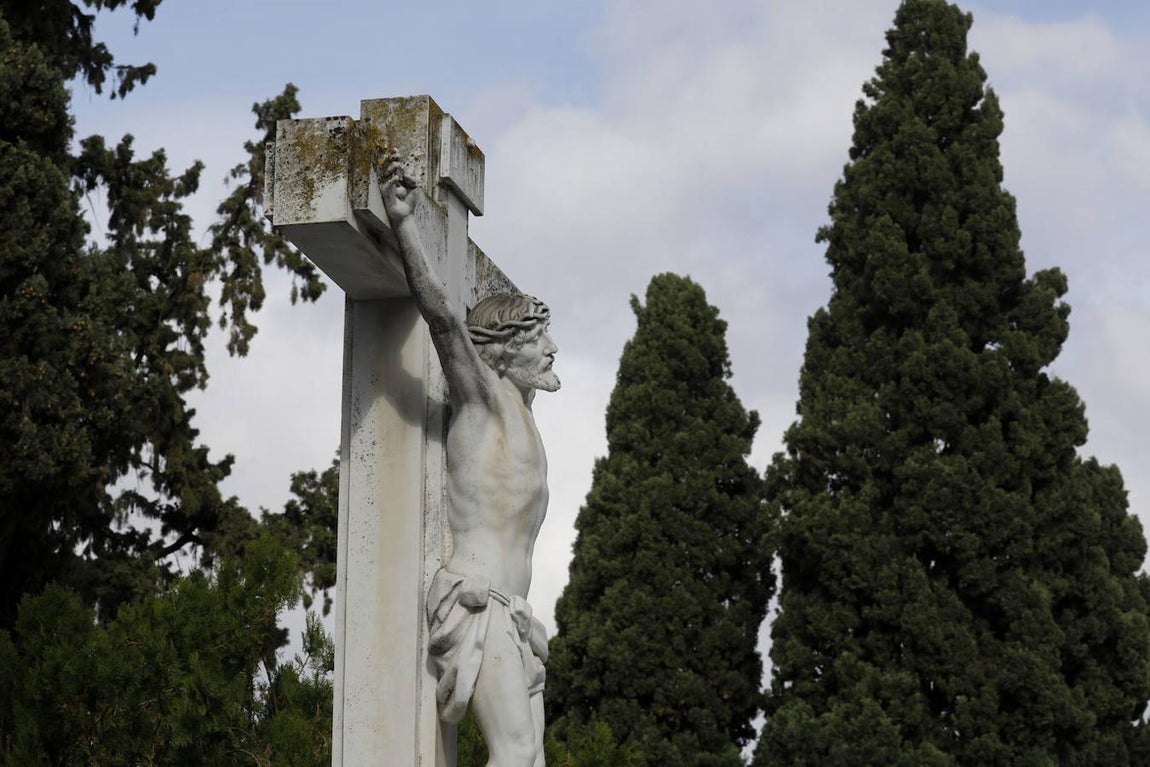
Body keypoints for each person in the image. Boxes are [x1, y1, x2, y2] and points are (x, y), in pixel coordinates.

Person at [380, 157, 558, 767]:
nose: (552, 349)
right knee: (514, 751)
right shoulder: (481, 404)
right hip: (475, 600)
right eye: (538, 339)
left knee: (530, 759)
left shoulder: (527, 421)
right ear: (506, 352)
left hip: (517, 614)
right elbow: (444, 320)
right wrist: (404, 222)